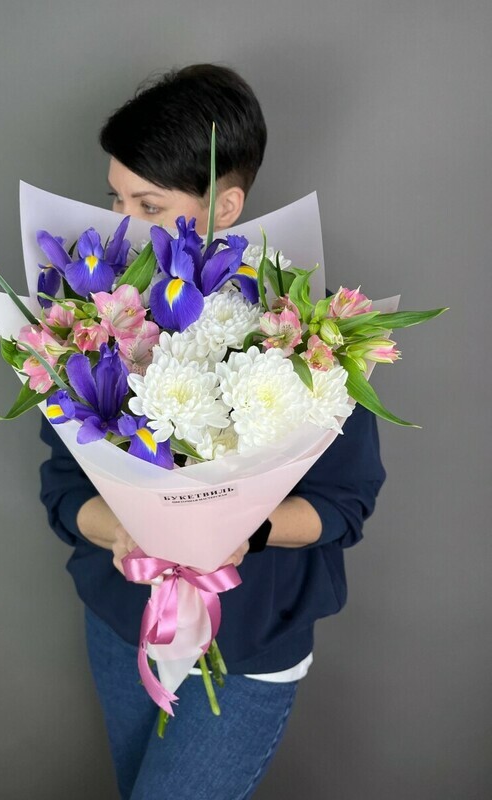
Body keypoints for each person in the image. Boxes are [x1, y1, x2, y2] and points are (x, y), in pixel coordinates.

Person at [39, 64, 386, 800]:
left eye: (149, 204)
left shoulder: (309, 332)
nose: (123, 223)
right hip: (123, 621)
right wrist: (122, 529)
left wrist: (242, 534)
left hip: (251, 637)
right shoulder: (100, 319)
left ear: (224, 204)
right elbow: (64, 487)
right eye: (116, 198)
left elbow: (345, 503)